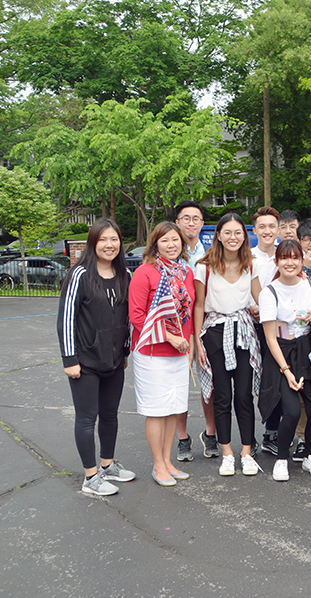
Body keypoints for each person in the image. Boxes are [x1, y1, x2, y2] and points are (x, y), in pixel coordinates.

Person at [57, 218, 135, 496]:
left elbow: (126, 318)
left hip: (114, 361)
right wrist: (70, 359)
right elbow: (66, 318)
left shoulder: (124, 274)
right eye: (103, 239)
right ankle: (91, 477)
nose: (109, 245)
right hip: (85, 362)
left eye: (114, 239)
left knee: (110, 415)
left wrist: (125, 351)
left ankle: (108, 465)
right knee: (87, 418)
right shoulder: (79, 275)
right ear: (93, 242)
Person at [194, 213, 262, 477]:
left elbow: (260, 298)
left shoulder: (250, 264)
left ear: (244, 236)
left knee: (244, 396)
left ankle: (246, 452)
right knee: (222, 396)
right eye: (227, 232)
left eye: (238, 233)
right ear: (218, 235)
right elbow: (199, 304)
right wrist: (198, 341)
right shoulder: (205, 267)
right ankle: (226, 453)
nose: (233, 238)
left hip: (243, 332)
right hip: (214, 332)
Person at [129, 221, 195, 487]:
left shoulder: (186, 273)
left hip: (180, 353)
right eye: (165, 240)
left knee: (173, 409)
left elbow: (188, 314)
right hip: (153, 352)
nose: (171, 245)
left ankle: (168, 462)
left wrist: (187, 343)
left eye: (175, 240)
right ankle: (158, 465)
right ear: (155, 243)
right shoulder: (145, 273)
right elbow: (136, 316)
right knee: (157, 411)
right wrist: (169, 337)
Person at [258, 240, 311, 481]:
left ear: (301, 260)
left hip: (306, 349)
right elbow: (269, 337)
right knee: (293, 411)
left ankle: (310, 456)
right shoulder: (269, 292)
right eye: (284, 258)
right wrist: (286, 371)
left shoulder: (310, 284)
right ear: (277, 261)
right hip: (281, 352)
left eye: (295, 258)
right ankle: (281, 459)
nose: (290, 262)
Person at [173, 200, 209, 462]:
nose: (191, 223)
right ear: (177, 222)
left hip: (208, 324)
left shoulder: (210, 253)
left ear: (202, 223)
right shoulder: (170, 252)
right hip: (180, 327)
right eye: (186, 218)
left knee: (209, 382)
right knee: (180, 382)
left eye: (196, 218)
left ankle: (210, 433)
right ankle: (182, 437)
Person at [251, 206, 282, 457]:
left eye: (272, 226)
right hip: (253, 327)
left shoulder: (288, 255)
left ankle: (272, 432)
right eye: (262, 226)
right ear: (255, 230)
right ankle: (249, 437)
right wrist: (252, 306)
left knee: (279, 379)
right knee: (256, 382)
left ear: (279, 228)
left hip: (283, 328)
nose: (267, 231)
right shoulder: (247, 257)